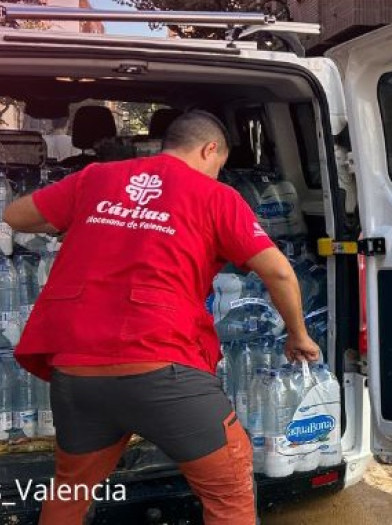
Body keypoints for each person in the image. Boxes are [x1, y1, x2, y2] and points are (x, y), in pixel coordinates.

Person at [4, 110, 321, 525]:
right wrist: (298, 334)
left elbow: (16, 215)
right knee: (228, 490)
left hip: (77, 371)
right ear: (210, 150)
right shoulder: (216, 197)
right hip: (162, 367)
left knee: (71, 490)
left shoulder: (96, 178)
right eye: (218, 165)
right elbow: (278, 270)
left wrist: (75, 223)